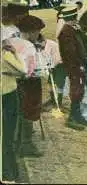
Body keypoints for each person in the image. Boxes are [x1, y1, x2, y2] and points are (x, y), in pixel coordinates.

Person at [10, 15, 47, 158]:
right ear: (31, 31)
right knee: (29, 110)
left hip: (19, 82)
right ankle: (26, 145)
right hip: (27, 83)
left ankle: (20, 142)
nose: (38, 34)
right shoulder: (27, 46)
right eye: (37, 31)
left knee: (22, 111)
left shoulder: (15, 40)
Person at [58, 7, 87, 130]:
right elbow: (70, 53)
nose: (77, 20)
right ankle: (73, 117)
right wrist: (79, 65)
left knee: (79, 89)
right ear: (73, 18)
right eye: (76, 18)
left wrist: (79, 31)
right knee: (76, 89)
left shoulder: (71, 30)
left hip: (76, 65)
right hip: (74, 66)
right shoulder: (66, 32)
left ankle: (76, 115)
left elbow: (83, 42)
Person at [1, 24, 25, 181]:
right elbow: (23, 70)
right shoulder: (6, 54)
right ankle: (9, 173)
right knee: (8, 137)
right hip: (8, 96)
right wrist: (15, 52)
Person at [37, 34, 67, 112]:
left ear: (43, 41)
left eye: (40, 44)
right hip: (52, 66)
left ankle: (59, 103)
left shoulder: (52, 45)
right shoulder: (41, 46)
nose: (39, 47)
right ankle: (53, 100)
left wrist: (50, 67)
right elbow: (44, 58)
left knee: (59, 84)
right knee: (50, 84)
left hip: (61, 65)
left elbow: (57, 60)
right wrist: (47, 67)